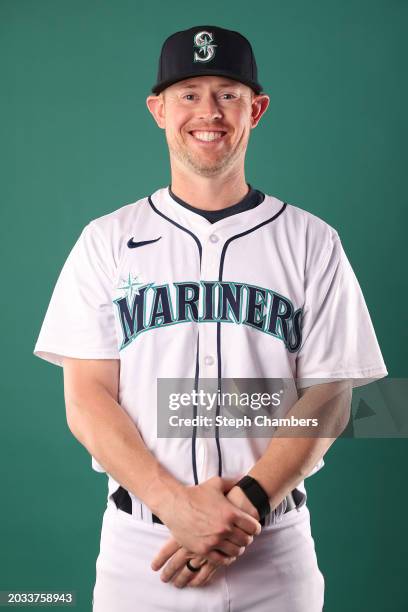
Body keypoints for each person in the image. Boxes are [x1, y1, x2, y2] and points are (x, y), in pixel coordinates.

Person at [33, 24, 388, 611]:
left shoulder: (311, 241)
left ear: (257, 108)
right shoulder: (106, 241)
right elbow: (87, 399)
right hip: (142, 552)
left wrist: (247, 501)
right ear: (158, 109)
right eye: (189, 93)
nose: (209, 111)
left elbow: (329, 396)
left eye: (228, 93)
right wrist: (175, 505)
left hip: (272, 547)